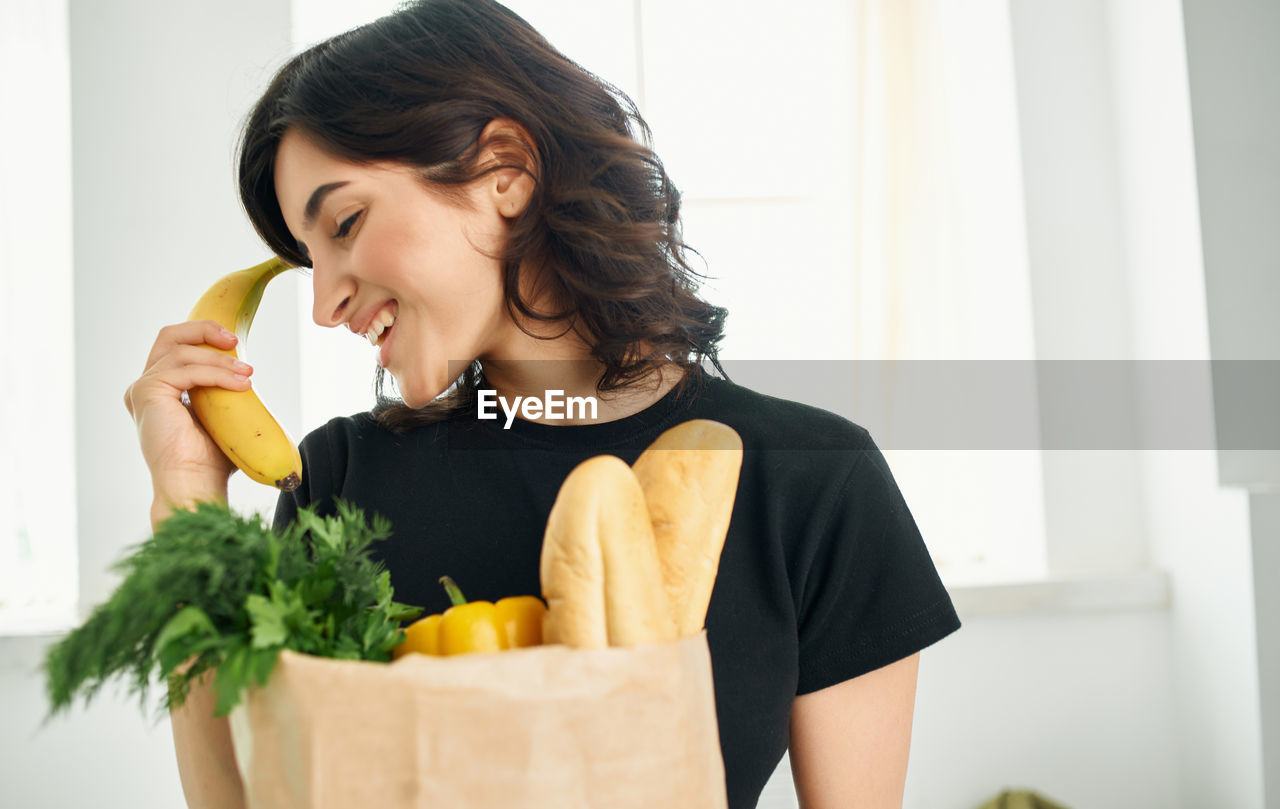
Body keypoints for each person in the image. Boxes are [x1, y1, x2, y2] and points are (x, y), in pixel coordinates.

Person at [123, 1, 961, 807]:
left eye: (343, 222)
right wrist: (186, 501)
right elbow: (240, 799)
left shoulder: (812, 482)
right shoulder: (338, 481)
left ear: (505, 172)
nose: (325, 304)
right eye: (311, 260)